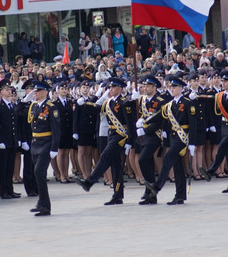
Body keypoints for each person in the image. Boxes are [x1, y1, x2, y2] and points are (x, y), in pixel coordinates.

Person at [143, 74, 198, 205]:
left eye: (174, 87)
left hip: (182, 138)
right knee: (177, 166)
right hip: (174, 137)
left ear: (181, 88)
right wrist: (145, 121)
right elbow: (159, 116)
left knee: (167, 157)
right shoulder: (169, 105)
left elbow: (193, 124)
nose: (172, 89)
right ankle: (180, 195)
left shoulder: (187, 103)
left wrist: (192, 143)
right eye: (171, 87)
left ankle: (157, 186)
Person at [75, 77, 130, 205]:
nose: (110, 89)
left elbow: (129, 123)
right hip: (111, 135)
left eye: (113, 87)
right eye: (109, 87)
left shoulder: (124, 102)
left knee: (105, 156)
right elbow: (96, 109)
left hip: (120, 136)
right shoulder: (108, 102)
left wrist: (130, 141)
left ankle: (89, 182)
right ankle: (118, 195)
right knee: (115, 166)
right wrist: (83, 103)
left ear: (120, 89)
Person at [198, 71, 228, 193]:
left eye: (226, 81)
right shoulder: (221, 95)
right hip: (224, 126)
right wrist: (196, 97)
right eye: (222, 81)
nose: (223, 83)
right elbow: (210, 100)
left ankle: (211, 171)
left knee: (222, 146)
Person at [27, 80, 61, 216]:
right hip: (35, 143)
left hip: (46, 144)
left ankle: (44, 204)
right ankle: (43, 204)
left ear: (46, 92)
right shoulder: (34, 106)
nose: (36, 93)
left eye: (39, 90)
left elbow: (56, 130)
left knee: (39, 172)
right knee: (37, 174)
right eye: (35, 91)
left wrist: (54, 148)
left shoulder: (51, 107)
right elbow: (20, 112)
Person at [132, 75, 167, 205]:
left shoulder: (160, 101)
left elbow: (160, 120)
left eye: (147, 86)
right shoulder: (142, 100)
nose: (145, 88)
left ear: (154, 87)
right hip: (145, 135)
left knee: (143, 159)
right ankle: (151, 193)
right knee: (148, 163)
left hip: (155, 135)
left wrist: (145, 129)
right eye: (144, 86)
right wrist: (132, 98)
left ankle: (150, 189)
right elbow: (138, 112)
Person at [0, 79, 22, 199]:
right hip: (3, 142)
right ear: (0, 93)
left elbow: (15, 124)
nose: (9, 91)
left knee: (10, 167)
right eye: (6, 90)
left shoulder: (12, 105)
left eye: (10, 89)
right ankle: (2, 191)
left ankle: (9, 189)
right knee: (1, 168)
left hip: (11, 141)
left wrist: (17, 138)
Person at [52, 82, 74, 183]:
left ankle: (66, 174)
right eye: (62, 88)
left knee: (67, 153)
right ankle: (61, 175)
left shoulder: (70, 102)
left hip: (68, 131)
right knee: (60, 153)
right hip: (60, 131)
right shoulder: (55, 103)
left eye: (65, 88)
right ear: (58, 90)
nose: (64, 90)